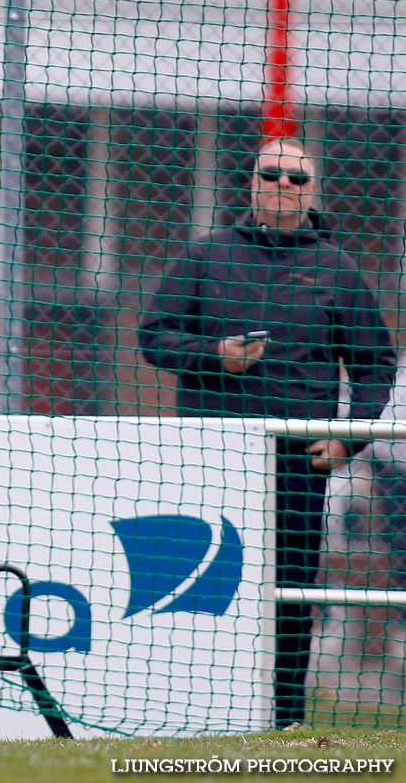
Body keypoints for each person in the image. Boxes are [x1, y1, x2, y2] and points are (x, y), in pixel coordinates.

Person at [138, 136, 397, 729]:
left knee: (288, 593)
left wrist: (347, 439)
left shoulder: (338, 269)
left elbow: (375, 365)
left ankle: (284, 720)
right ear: (251, 182)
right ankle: (190, 711)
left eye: (296, 179)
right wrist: (214, 355)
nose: (283, 185)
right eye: (271, 174)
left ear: (313, 192)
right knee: (200, 590)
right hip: (213, 459)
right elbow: (154, 335)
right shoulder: (206, 256)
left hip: (299, 464)